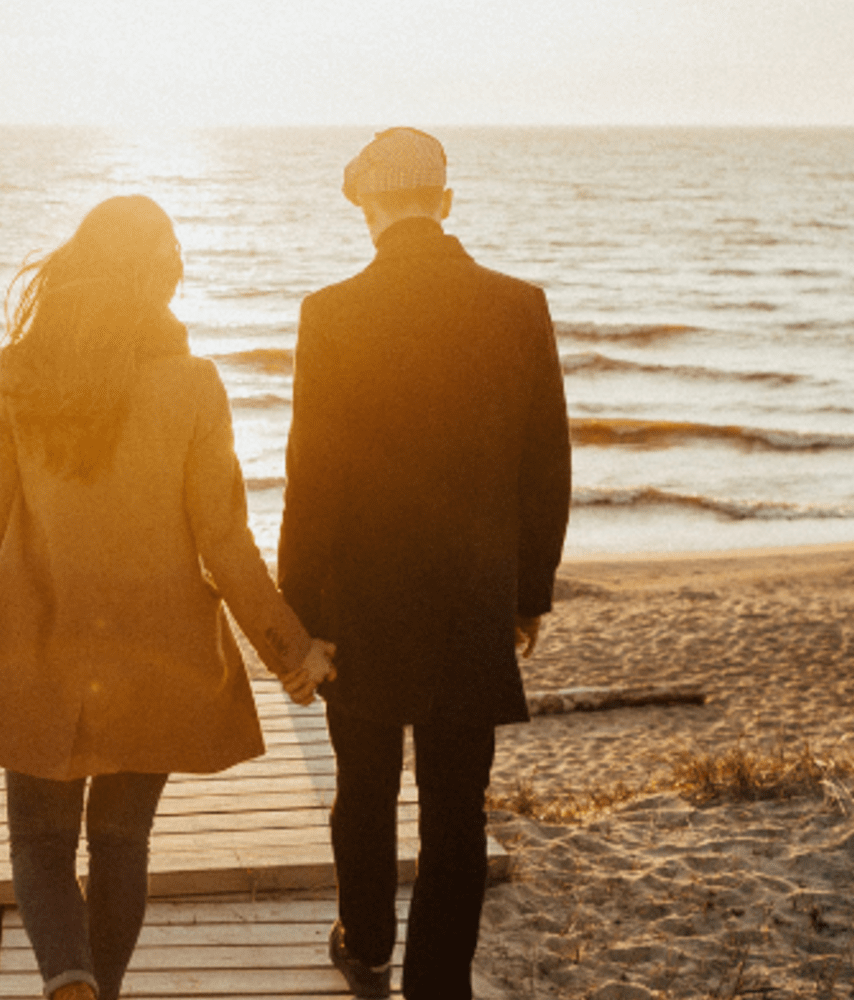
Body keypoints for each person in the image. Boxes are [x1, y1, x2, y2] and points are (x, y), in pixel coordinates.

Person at [0, 194, 335, 1000]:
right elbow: (225, 542)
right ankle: (96, 993)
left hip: (36, 647)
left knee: (39, 846)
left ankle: (68, 983)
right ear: (159, 280)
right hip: (157, 655)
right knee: (120, 845)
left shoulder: (17, 374)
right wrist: (291, 651)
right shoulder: (194, 385)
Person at [278, 128, 573, 1000]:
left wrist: (300, 619)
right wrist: (528, 596)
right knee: (456, 808)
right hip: (472, 595)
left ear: (365, 209)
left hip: (360, 599)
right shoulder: (519, 305)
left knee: (361, 791)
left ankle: (366, 942)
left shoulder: (328, 313)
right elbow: (546, 465)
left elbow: (312, 479)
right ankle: (438, 984)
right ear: (444, 203)